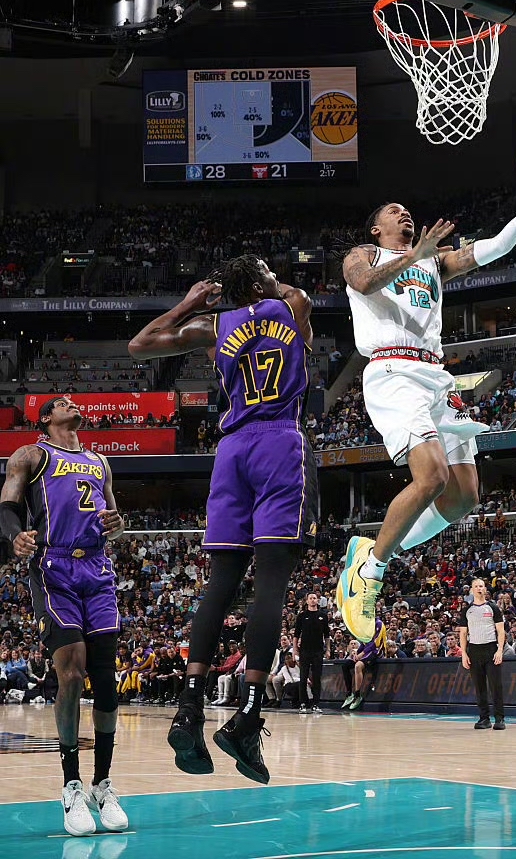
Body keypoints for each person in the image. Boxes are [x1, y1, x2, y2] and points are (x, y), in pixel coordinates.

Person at [337, 154, 516, 642]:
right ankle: (368, 575)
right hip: (392, 370)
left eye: (407, 209)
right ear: (377, 228)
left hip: (435, 376)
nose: (404, 213)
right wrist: (415, 254)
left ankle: (377, 549)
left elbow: (498, 246)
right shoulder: (362, 254)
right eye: (393, 211)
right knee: (431, 477)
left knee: (464, 495)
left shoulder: (433, 262)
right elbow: (362, 283)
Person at [128, 256, 316, 784]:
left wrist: (189, 303)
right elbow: (291, 293)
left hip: (231, 452)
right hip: (279, 442)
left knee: (222, 583)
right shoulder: (291, 304)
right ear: (260, 281)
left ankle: (189, 709)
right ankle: (248, 717)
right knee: (271, 581)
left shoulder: (215, 326)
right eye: (267, 271)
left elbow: (139, 345)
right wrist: (263, 282)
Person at [0, 396, 128, 836]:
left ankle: (102, 784)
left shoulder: (99, 461)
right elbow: (7, 506)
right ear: (46, 418)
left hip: (97, 568)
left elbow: (114, 517)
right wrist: (15, 536)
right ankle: (71, 784)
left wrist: (118, 525)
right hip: (54, 566)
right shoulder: (30, 455)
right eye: (61, 402)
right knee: (71, 674)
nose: (72, 403)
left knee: (106, 681)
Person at [458, 578, 506, 730]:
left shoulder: (493, 607)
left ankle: (499, 718)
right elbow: (463, 633)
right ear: (472, 590)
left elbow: (501, 631)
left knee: (495, 686)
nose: (479, 588)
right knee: (479, 687)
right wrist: (464, 654)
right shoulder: (467, 610)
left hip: (490, 649)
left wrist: (499, 650)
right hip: (474, 650)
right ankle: (484, 719)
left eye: (481, 586)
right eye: (476, 586)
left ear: (485, 589)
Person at [293, 592, 330, 714]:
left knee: (317, 678)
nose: (313, 600)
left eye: (315, 598)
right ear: (307, 601)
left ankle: (315, 704)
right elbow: (296, 635)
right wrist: (295, 650)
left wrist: (328, 649)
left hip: (318, 651)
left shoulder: (323, 616)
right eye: (311, 598)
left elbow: (327, 635)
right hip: (304, 651)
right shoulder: (302, 616)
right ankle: (303, 703)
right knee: (303, 678)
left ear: (317, 600)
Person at [341, 619, 387, 711]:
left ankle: (357, 695)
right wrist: (357, 653)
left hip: (377, 651)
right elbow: (363, 643)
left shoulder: (379, 624)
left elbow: (375, 643)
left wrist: (361, 654)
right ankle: (350, 693)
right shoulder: (365, 625)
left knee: (358, 665)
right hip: (366, 651)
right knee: (345, 665)